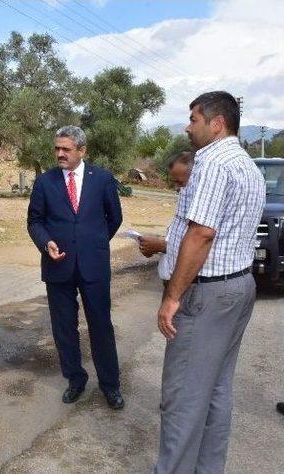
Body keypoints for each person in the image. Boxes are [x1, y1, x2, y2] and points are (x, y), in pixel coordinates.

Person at [154, 92, 265, 473]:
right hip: (239, 287)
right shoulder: (247, 165)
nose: (188, 126)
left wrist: (173, 296)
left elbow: (201, 234)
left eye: (194, 119)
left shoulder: (212, 161)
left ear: (217, 123)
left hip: (208, 293)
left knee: (183, 396)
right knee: (216, 390)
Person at [27, 125, 124, 409]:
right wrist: (47, 244)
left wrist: (92, 243)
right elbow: (35, 221)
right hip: (58, 266)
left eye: (66, 149)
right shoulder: (45, 182)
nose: (60, 154)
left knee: (101, 326)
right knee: (64, 328)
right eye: (57, 148)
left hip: (93, 266)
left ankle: (110, 385)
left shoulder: (103, 179)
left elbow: (114, 217)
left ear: (82, 150)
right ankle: (75, 379)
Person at [138, 152, 194, 274]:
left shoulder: (202, 209)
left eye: (179, 182)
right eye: (174, 182)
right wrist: (155, 247)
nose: (176, 188)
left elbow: (200, 245)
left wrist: (162, 246)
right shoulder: (184, 202)